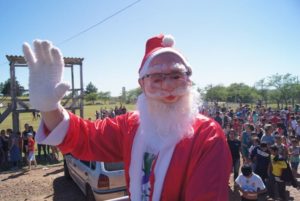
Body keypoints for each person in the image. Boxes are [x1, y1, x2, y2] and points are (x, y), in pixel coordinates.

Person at [23, 34, 232, 201]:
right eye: (157, 78)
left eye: (176, 76)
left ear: (188, 80)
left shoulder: (207, 135)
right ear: (142, 84)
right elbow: (84, 137)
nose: (168, 86)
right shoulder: (130, 125)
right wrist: (49, 107)